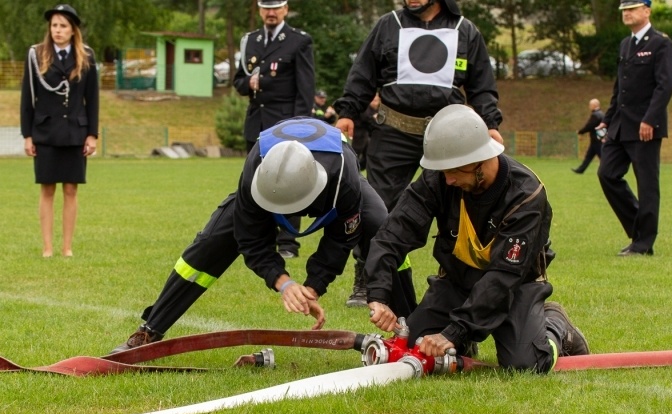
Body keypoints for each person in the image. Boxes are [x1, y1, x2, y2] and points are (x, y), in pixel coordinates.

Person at [111, 117, 416, 352]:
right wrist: (284, 283)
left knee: (384, 232)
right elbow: (251, 241)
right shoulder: (254, 172)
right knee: (207, 246)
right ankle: (150, 329)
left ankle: (413, 329)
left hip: (338, 177)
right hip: (270, 179)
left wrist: (313, 287)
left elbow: (340, 239)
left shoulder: (343, 179)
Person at [365, 104, 589, 373]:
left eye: (455, 171)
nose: (447, 180)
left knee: (525, 364)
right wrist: (378, 293)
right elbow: (393, 233)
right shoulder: (439, 178)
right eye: (443, 171)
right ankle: (463, 343)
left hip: (515, 287)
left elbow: (504, 277)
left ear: (481, 160)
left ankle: (557, 326)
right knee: (415, 347)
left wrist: (454, 332)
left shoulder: (526, 195)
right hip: (457, 282)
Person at [333, 0, 503, 307]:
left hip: (446, 136)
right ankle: (367, 280)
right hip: (392, 132)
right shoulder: (388, 25)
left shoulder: (465, 30)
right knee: (376, 208)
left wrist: (491, 123)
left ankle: (452, 283)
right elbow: (363, 73)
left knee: (451, 207)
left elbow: (482, 85)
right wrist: (347, 112)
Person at [233, 0, 315, 260]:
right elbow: (238, 81)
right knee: (255, 181)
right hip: (257, 121)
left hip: (285, 123)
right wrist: (249, 82)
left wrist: (300, 126)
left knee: (288, 180)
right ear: (259, 10)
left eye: (276, 7)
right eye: (266, 8)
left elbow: (306, 89)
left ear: (285, 9)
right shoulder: (251, 41)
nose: (271, 13)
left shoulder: (298, 41)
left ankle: (288, 241)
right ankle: (260, 238)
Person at [596, 0, 672, 256]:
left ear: (647, 11)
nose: (627, 14)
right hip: (620, 125)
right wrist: (607, 120)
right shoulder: (626, 44)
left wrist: (650, 119)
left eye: (632, 9)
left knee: (647, 185)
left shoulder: (661, 43)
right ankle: (637, 228)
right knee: (606, 173)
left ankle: (643, 244)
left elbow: (665, 85)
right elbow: (619, 88)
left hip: (645, 127)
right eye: (624, 10)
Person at [20, 4, 98, 258]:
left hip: (76, 132)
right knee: (47, 188)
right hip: (45, 133)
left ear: (73, 30)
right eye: (54, 25)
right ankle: (47, 247)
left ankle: (67, 247)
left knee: (71, 189)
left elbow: (92, 98)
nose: (57, 30)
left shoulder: (86, 56)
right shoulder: (36, 55)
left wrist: (92, 134)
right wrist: (27, 135)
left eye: (63, 26)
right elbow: (27, 98)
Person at [571, 98, 604, 174]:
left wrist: (581, 131)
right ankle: (581, 169)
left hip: (596, 140)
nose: (589, 106)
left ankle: (607, 169)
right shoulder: (602, 114)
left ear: (594, 105)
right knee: (589, 156)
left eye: (590, 105)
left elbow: (589, 126)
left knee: (602, 157)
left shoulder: (595, 115)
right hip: (598, 139)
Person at [351, 93, 380, 171]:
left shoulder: (377, 109)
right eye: (373, 100)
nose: (375, 102)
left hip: (368, 134)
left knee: (368, 153)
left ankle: (358, 169)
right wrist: (373, 117)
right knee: (356, 152)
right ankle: (352, 169)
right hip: (359, 132)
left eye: (376, 100)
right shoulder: (366, 108)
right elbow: (365, 118)